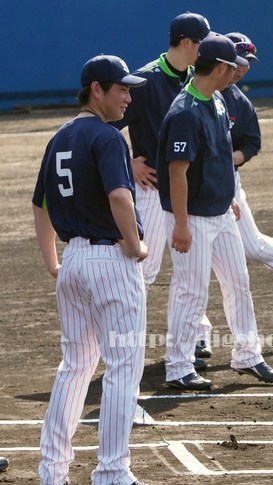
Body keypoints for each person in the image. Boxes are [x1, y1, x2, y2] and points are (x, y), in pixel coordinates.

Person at [32, 55, 163, 485]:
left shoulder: (59, 138)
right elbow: (119, 196)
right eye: (120, 88)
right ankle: (111, 475)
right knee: (124, 367)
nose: (128, 96)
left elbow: (40, 205)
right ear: (96, 90)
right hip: (110, 262)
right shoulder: (106, 137)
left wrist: (54, 261)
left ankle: (52, 470)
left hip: (73, 262)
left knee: (75, 366)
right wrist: (137, 245)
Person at [157, 34, 273, 390]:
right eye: (234, 67)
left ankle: (247, 355)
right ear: (223, 67)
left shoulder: (215, 100)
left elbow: (217, 157)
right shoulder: (185, 111)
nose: (238, 73)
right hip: (193, 217)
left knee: (238, 283)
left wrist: (226, 194)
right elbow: (177, 171)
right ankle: (178, 366)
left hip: (220, 212)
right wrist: (181, 224)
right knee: (192, 291)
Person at [112, 12, 212, 371]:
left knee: (193, 269)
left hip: (187, 190)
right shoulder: (146, 81)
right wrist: (130, 162)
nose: (206, 48)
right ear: (187, 43)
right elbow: (106, 126)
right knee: (147, 269)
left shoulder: (193, 79)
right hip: (153, 191)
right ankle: (125, 345)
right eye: (202, 42)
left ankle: (198, 332)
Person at [194, 31, 273, 372]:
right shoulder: (194, 97)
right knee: (190, 276)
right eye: (237, 62)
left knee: (250, 251)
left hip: (227, 186)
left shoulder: (237, 102)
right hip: (197, 192)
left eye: (246, 65)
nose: (241, 69)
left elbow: (252, 143)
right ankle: (196, 340)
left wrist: (232, 161)